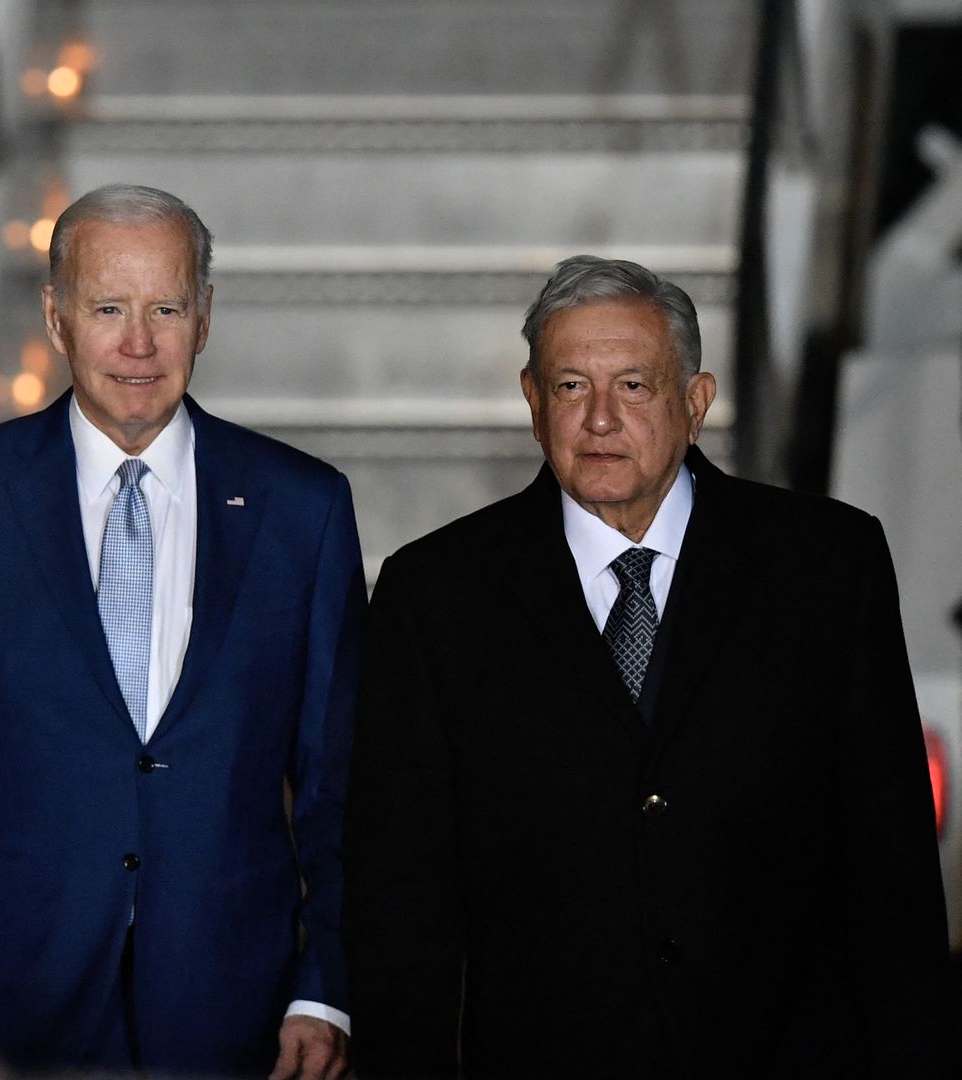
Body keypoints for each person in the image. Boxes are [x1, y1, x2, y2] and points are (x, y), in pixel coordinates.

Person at [342, 256, 959, 1078]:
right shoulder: (435, 594)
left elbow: (892, 874)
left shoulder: (826, 566)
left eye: (633, 386)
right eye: (569, 387)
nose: (599, 419)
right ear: (532, 402)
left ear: (695, 403)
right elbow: (399, 899)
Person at [0, 184, 362, 1079]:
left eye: (167, 307)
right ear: (56, 317)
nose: (138, 342)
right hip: (4, 1003)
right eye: (108, 307)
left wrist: (325, 984)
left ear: (204, 320)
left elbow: (340, 789)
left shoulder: (302, 509)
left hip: (236, 1006)